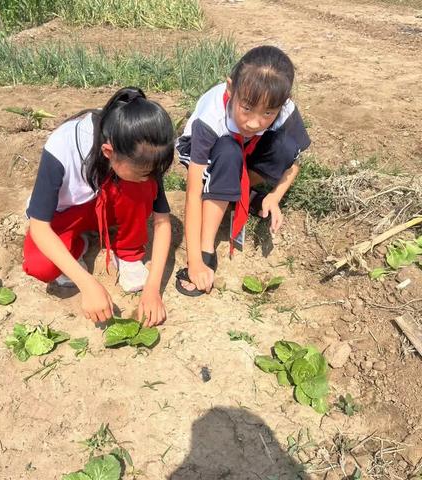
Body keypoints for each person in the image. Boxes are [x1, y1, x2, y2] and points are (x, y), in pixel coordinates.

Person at [22, 87, 174, 326]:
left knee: (140, 186)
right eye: (145, 173)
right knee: (41, 266)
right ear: (108, 151)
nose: (151, 178)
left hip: (106, 204)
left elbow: (162, 221)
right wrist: (87, 284)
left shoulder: (143, 147)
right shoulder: (63, 146)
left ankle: (128, 253)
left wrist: (153, 289)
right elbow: (40, 227)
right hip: (66, 214)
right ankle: (78, 244)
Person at [175, 45, 311, 297]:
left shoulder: (284, 111)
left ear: (284, 103)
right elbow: (193, 192)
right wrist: (195, 261)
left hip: (246, 152)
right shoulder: (211, 119)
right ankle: (208, 246)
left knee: (284, 146)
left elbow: (293, 163)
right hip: (213, 154)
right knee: (228, 152)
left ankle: (241, 193)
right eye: (246, 108)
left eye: (268, 113)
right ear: (230, 88)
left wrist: (274, 196)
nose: (254, 122)